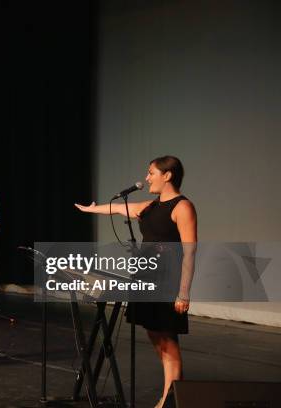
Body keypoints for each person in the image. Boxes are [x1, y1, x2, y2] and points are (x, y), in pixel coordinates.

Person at [75, 155, 197, 408]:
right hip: (146, 278)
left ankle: (169, 400)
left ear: (167, 175)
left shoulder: (182, 207)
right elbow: (119, 208)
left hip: (167, 281)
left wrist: (183, 293)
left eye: (151, 173)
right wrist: (90, 209)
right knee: (156, 337)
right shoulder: (149, 207)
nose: (146, 178)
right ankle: (173, 394)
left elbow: (190, 252)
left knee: (169, 340)